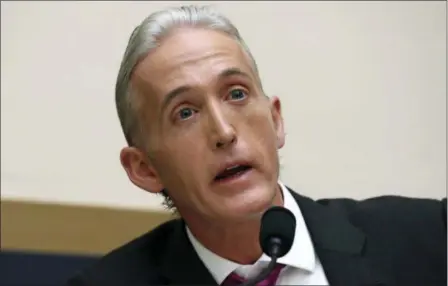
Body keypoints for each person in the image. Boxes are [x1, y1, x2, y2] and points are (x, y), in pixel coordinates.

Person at [67, 5, 447, 286]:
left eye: (236, 93)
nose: (224, 132)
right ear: (144, 168)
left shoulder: (430, 239)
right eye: (185, 113)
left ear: (276, 120)